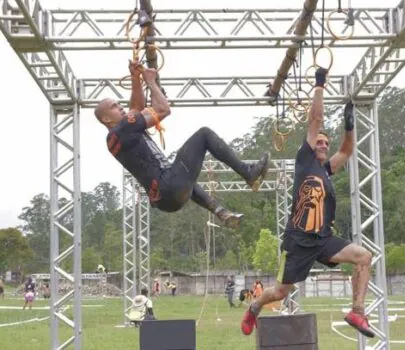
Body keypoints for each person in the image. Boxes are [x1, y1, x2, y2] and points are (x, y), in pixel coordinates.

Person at [240, 67, 375, 338]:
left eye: (327, 142)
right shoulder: (304, 161)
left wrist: (349, 124)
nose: (324, 145)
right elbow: (315, 118)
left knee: (364, 257)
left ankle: (357, 311)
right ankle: (255, 306)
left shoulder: (326, 171)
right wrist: (320, 84)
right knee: (280, 292)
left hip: (323, 239)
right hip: (298, 241)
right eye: (320, 142)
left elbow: (347, 150)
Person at [94, 60, 270, 228]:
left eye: (118, 104)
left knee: (185, 174)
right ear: (106, 119)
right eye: (114, 106)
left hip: (164, 200)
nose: (120, 107)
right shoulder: (123, 129)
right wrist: (151, 82)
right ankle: (248, 172)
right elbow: (163, 110)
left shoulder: (116, 138)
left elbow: (135, 107)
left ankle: (220, 211)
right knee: (204, 134)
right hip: (169, 186)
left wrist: (135, 78)